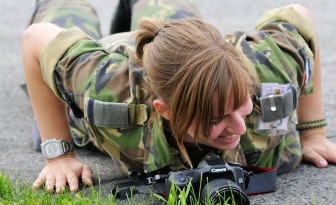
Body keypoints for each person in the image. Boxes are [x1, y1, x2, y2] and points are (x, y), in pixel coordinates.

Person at [22, 0, 336, 194]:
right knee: (66, 10)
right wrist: (59, 155)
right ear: (166, 111)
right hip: (121, 56)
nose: (240, 127)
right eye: (217, 118)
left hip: (187, 48)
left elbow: (299, 16)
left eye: (243, 106)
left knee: (169, 6)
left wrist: (313, 133)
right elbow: (35, 40)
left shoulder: (265, 66)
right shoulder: (107, 86)